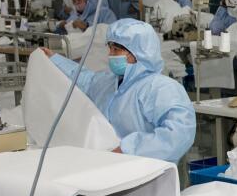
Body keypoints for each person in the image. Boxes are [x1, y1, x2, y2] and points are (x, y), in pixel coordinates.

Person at [41, 19, 195, 163]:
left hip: (146, 172)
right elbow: (84, 80)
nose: (110, 55)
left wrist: (128, 149)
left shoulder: (160, 88)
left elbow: (179, 133)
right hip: (109, 164)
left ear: (138, 52)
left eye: (116, 50)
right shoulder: (109, 82)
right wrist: (55, 59)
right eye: (110, 49)